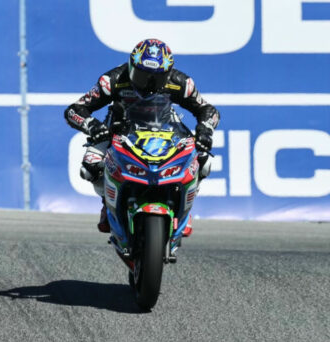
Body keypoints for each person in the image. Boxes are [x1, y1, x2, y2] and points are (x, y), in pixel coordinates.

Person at [64, 38, 221, 235]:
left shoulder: (182, 83)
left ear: (168, 73)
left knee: (204, 162)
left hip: (166, 132)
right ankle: (108, 204)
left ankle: (184, 211)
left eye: (156, 78)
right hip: (120, 132)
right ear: (131, 65)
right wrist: (93, 126)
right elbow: (74, 109)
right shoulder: (112, 80)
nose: (148, 83)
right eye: (142, 75)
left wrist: (205, 130)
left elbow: (207, 109)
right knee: (91, 164)